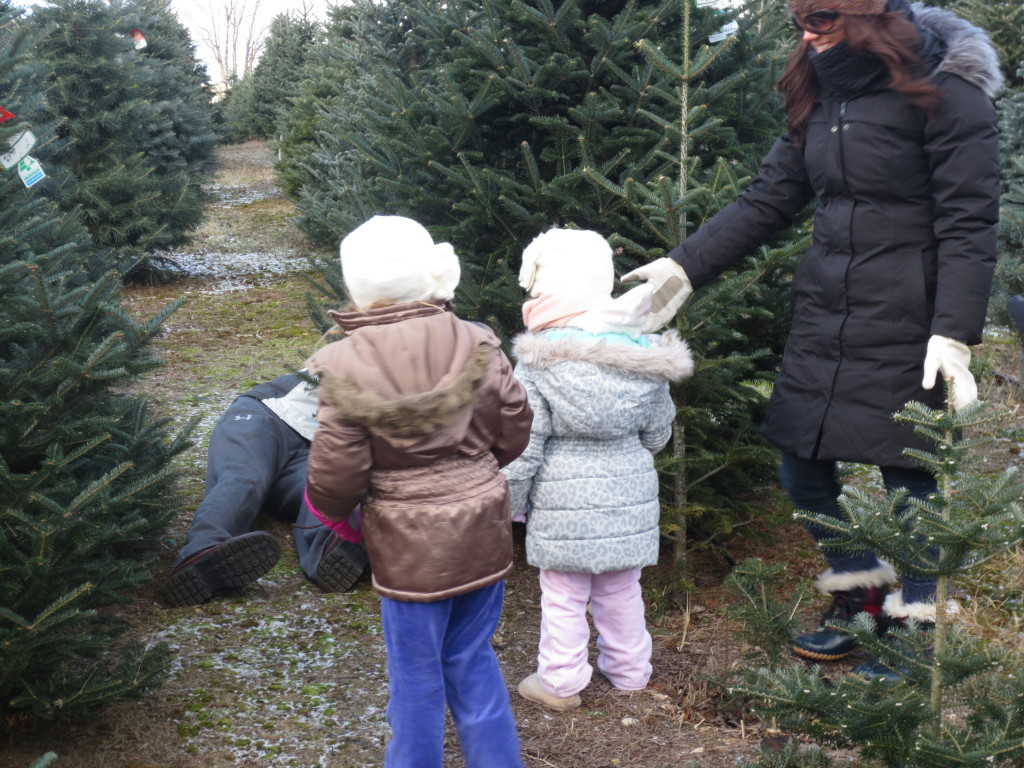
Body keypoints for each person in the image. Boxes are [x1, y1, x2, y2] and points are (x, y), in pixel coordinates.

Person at [622, 0, 1001, 672]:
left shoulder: (948, 90)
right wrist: (685, 266)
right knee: (801, 467)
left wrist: (954, 333)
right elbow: (770, 195)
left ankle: (916, 633)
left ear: (868, 13)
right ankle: (862, 596)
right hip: (827, 309)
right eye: (800, 16)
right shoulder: (825, 91)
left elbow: (969, 223)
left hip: (911, 317)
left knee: (908, 478)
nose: (807, 31)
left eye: (822, 16)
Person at [302, 215, 534, 768]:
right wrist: (475, 473)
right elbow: (514, 425)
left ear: (357, 288)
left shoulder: (346, 362)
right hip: (481, 527)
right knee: (473, 655)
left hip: (407, 547)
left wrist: (334, 516)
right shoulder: (477, 339)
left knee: (415, 674)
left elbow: (337, 468)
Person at [501, 228, 694, 711]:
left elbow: (526, 443)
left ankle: (561, 683)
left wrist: (511, 503)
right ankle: (630, 672)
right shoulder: (644, 355)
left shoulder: (538, 361)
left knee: (563, 594)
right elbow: (657, 435)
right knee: (622, 588)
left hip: (561, 498)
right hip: (629, 490)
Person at [164, 373, 369, 607]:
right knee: (244, 479)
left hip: (315, 449)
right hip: (266, 416)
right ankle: (201, 552)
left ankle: (333, 548)